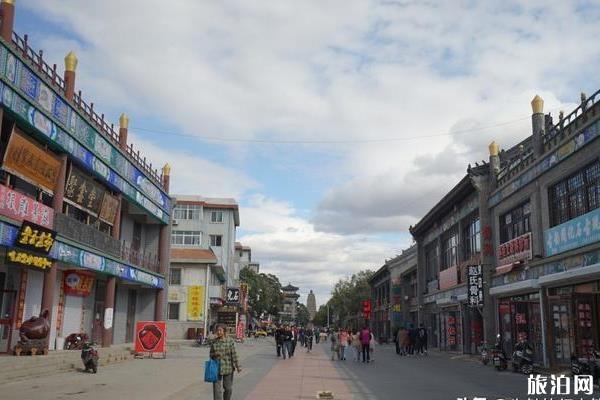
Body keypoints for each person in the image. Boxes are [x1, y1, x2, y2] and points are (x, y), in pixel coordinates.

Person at [210, 324, 242, 400]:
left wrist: (238, 366)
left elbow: (234, 354)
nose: (218, 332)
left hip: (228, 368)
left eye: (220, 330)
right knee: (216, 390)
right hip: (216, 367)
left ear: (224, 331)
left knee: (228, 388)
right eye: (217, 330)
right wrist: (215, 354)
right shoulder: (214, 342)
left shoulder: (230, 341)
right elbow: (211, 354)